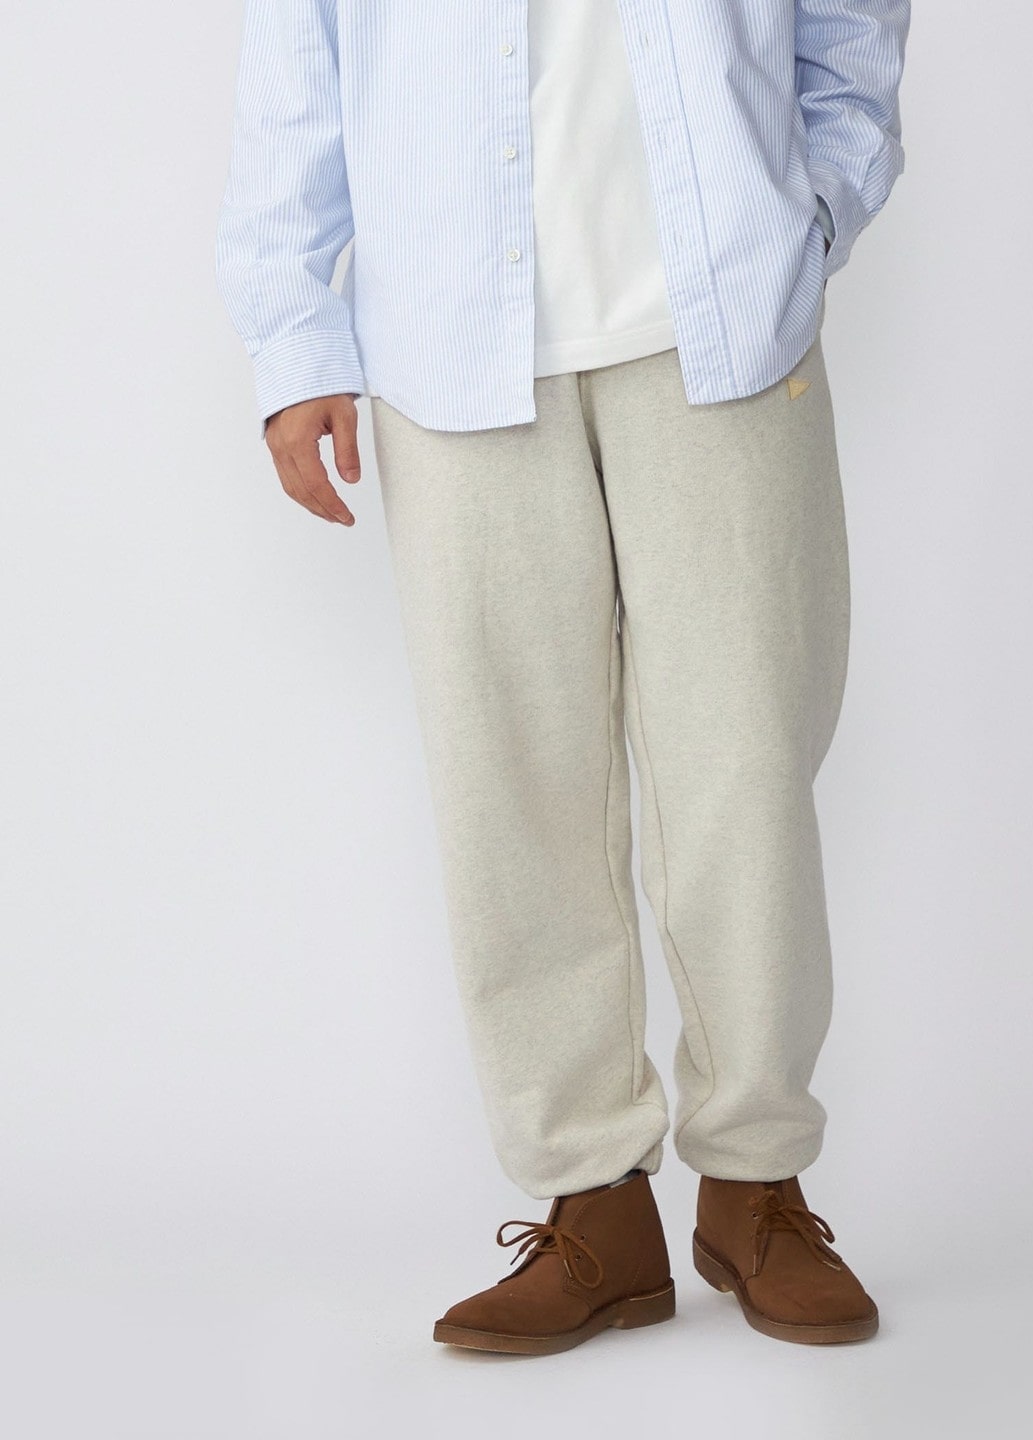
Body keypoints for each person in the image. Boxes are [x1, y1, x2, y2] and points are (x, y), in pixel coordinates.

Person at [215, 0, 909, 1356]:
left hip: (724, 315)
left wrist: (813, 207)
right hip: (450, 333)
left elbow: (852, 24)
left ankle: (757, 1184)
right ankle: (594, 1205)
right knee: (510, 787)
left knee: (747, 770)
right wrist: (294, 336)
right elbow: (295, 64)